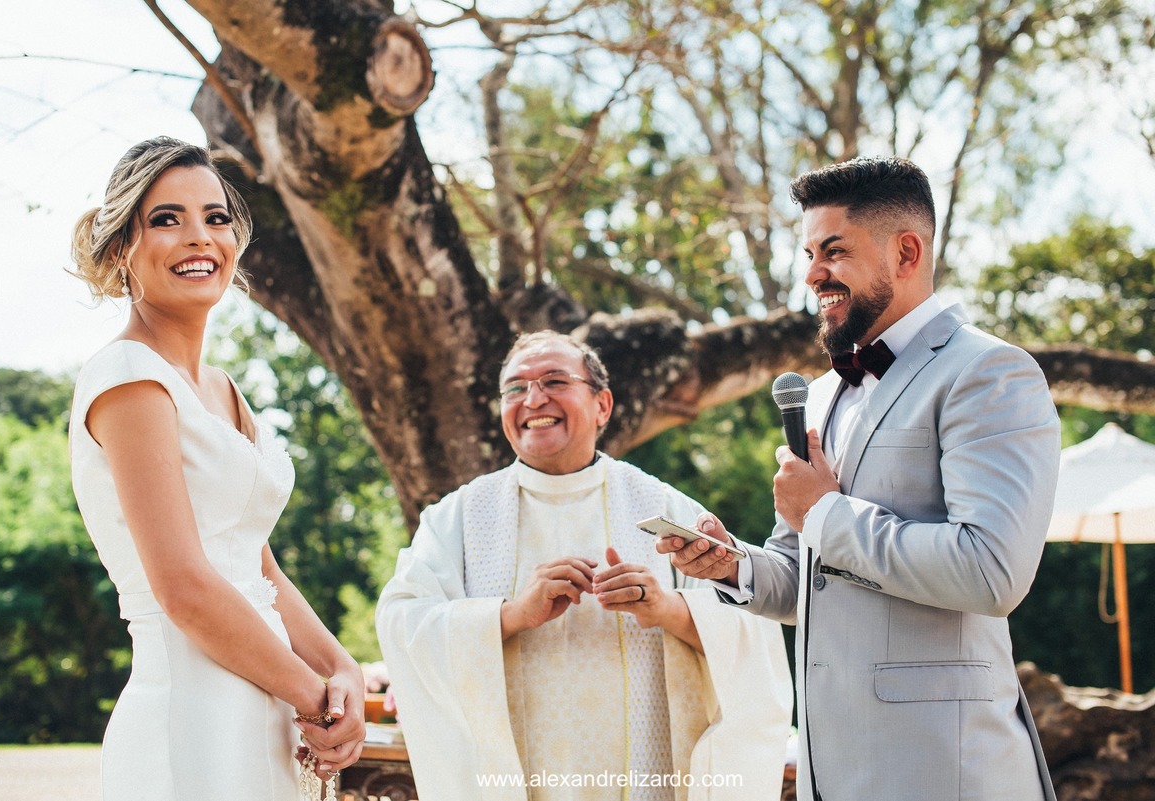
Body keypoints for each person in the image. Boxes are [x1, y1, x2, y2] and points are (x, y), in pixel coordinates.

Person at [658, 156, 1061, 801]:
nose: (813, 273)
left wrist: (821, 513)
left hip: (946, 771)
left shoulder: (989, 373)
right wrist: (731, 567)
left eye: (834, 251)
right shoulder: (819, 397)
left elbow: (991, 572)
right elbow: (805, 580)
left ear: (906, 251)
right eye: (810, 253)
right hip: (831, 769)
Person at [68, 136, 365, 799]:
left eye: (216, 217)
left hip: (265, 708)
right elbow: (184, 587)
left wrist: (342, 672)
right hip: (190, 714)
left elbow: (256, 565)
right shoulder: (128, 378)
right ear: (122, 247)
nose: (199, 237)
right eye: (166, 219)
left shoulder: (226, 390)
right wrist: (314, 697)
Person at [376, 331, 793, 801]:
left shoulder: (667, 509)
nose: (533, 399)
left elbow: (754, 633)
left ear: (602, 405)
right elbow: (401, 621)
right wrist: (512, 616)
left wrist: (668, 608)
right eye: (515, 387)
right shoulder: (457, 518)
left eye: (554, 380)